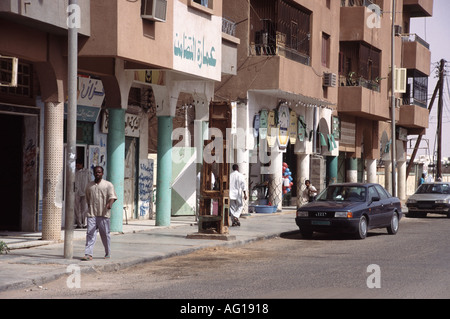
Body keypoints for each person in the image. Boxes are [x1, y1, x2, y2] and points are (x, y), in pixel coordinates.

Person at [82, 166, 117, 261]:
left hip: (103, 214)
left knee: (105, 234)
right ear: (93, 173)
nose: (97, 174)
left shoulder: (108, 185)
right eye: (96, 172)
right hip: (92, 214)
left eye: (99, 172)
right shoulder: (89, 185)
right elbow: (88, 199)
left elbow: (112, 197)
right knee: (90, 233)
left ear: (102, 173)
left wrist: (109, 204)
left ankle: (107, 252)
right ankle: (88, 254)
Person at [74, 160, 91, 229]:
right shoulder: (74, 172)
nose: (77, 167)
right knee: (77, 208)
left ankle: (85, 223)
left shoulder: (87, 172)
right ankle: (79, 224)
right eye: (76, 165)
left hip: (85, 192)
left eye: (78, 165)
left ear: (82, 165)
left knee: (84, 209)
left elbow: (90, 181)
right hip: (76, 192)